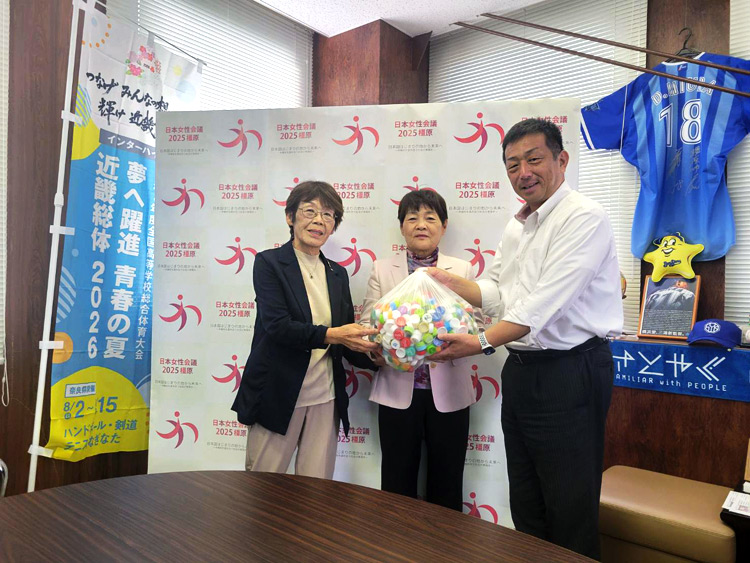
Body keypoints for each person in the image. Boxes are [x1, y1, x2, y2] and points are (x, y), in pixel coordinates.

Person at [428, 118, 622, 559]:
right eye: (513, 164)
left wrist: (479, 342)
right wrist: (450, 283)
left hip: (570, 371)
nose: (523, 172)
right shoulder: (517, 226)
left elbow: (543, 304)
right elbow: (498, 292)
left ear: (561, 160)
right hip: (521, 372)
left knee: (569, 506)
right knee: (526, 501)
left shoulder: (584, 217)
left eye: (534, 159)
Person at [232, 181, 379, 479]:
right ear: (290, 217)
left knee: (316, 489)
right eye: (309, 211)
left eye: (328, 215)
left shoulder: (337, 273)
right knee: (263, 485)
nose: (318, 221)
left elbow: (345, 337)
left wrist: (380, 356)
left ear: (334, 225)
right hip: (278, 392)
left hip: (326, 396)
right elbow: (278, 327)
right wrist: (333, 335)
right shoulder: (269, 263)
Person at [360, 189, 483, 511]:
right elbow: (367, 322)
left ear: (444, 226)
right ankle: (395, 539)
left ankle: (444, 540)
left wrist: (463, 341)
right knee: (396, 482)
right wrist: (376, 350)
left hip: (451, 391)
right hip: (397, 392)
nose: (421, 225)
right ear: (402, 226)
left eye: (430, 218)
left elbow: (480, 324)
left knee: (447, 480)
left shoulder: (462, 269)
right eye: (412, 218)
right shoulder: (382, 269)